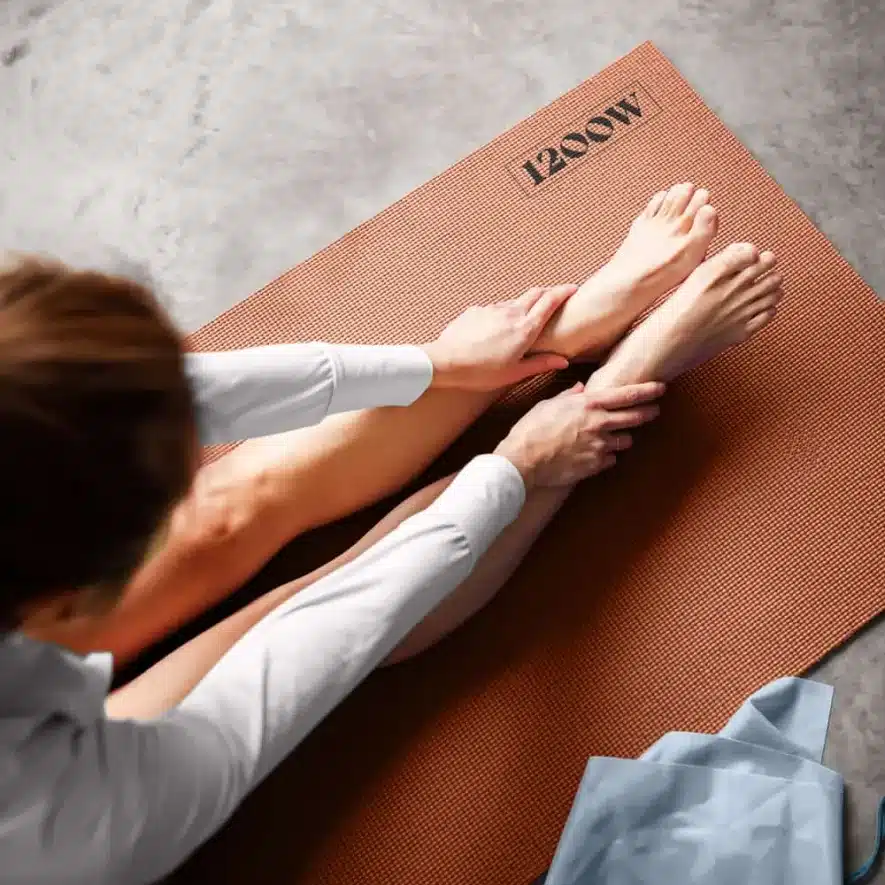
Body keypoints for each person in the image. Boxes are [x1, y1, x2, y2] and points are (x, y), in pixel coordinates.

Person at [0, 183, 783, 883]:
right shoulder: (71, 831)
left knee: (221, 510)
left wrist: (435, 362)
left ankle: (562, 338)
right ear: (65, 599)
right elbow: (325, 634)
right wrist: (511, 468)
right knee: (291, 609)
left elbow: (130, 399)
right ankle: (610, 391)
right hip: (64, 825)